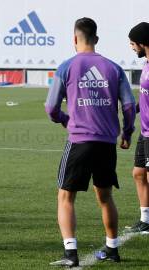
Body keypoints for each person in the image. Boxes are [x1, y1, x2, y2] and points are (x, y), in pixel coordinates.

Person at [45, 18, 136, 267]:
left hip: (79, 141)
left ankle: (71, 254)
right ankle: (112, 248)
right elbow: (129, 106)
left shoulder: (66, 67)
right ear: (96, 39)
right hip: (106, 143)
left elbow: (51, 107)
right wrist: (127, 133)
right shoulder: (114, 68)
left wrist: (64, 119)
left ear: (75, 39)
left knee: (66, 197)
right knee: (105, 196)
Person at [125, 22, 149, 234]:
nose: (132, 48)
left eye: (133, 43)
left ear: (143, 43)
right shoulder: (146, 65)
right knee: (139, 173)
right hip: (145, 131)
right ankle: (145, 219)